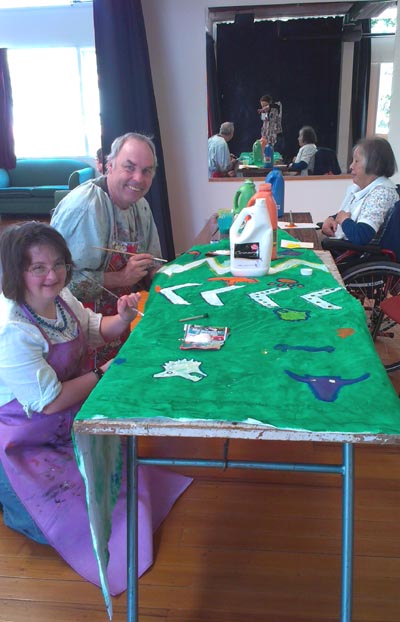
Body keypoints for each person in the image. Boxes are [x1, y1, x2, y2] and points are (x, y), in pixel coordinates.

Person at [0, 221, 191, 594]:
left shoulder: (61, 299)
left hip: (70, 423)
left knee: (119, 489)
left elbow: (92, 327)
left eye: (58, 264)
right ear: (16, 271)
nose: (52, 275)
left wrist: (121, 318)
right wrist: (106, 372)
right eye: (38, 267)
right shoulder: (13, 330)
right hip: (26, 440)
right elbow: (49, 400)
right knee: (73, 522)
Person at [51, 132, 162, 364]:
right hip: (76, 334)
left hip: (119, 322)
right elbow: (59, 285)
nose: (138, 179)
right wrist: (121, 277)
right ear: (109, 166)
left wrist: (158, 276)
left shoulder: (140, 206)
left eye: (146, 171)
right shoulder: (85, 207)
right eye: (129, 167)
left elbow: (151, 263)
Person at [321, 137, 398, 245]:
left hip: (359, 255)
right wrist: (332, 219)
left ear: (375, 165)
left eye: (356, 161)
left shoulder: (382, 194)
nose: (351, 166)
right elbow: (352, 214)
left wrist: (344, 221)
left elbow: (361, 236)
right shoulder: (361, 189)